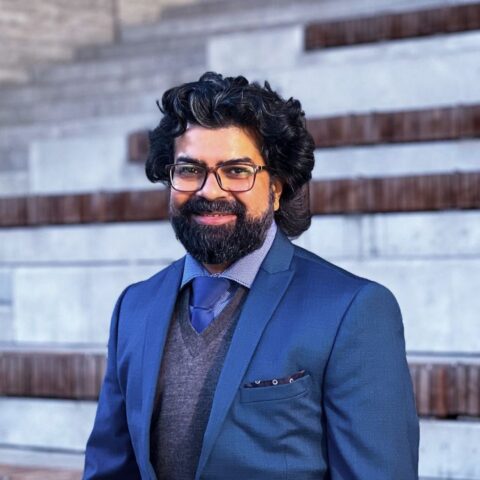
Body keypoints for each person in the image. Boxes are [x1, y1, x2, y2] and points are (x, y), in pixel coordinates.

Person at [84, 72, 419, 479]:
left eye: (237, 171)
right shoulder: (134, 307)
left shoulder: (353, 311)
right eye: (189, 170)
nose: (210, 190)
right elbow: (110, 468)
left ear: (276, 188)